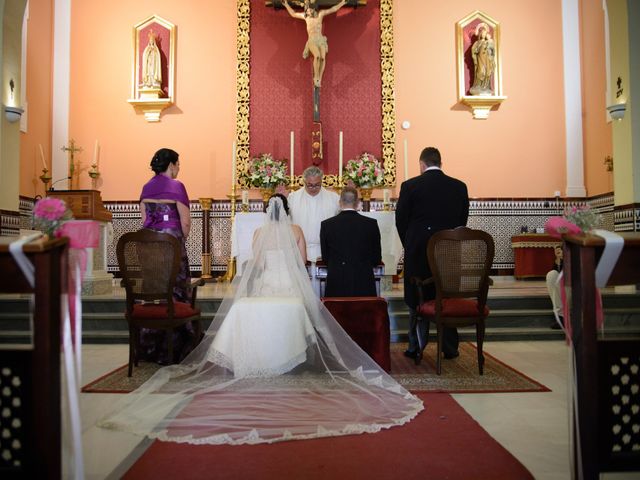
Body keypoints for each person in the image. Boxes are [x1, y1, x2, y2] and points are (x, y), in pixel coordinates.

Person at [99, 196, 423, 445]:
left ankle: (251, 359)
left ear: (267, 211)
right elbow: (300, 263)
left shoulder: (257, 232)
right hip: (287, 289)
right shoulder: (295, 231)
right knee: (301, 310)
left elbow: (255, 264)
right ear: (287, 211)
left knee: (245, 308)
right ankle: (288, 359)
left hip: (266, 286)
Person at [395, 147, 469, 361]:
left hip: (418, 253)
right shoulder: (459, 187)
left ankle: (416, 346)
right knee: (447, 296)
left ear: (421, 164)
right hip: (449, 252)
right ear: (440, 163)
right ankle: (450, 347)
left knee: (417, 299)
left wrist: (410, 244)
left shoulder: (410, 186)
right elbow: (462, 220)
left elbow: (401, 220)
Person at [138, 147, 196, 363]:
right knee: (175, 289)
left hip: (150, 245)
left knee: (156, 289)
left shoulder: (146, 187)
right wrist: (180, 241)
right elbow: (186, 221)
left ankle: (151, 347)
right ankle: (178, 346)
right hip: (172, 244)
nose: (179, 168)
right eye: (178, 164)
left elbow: (144, 218)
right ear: (171, 165)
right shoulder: (176, 186)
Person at [320, 187, 381, 297]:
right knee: (364, 312)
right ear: (357, 203)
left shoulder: (327, 225)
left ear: (339, 202)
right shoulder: (370, 224)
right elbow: (376, 257)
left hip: (337, 279)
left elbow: (326, 258)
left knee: (337, 313)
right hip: (363, 280)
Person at [283, 0, 347, 88]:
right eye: (307, 10)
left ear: (314, 9)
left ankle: (319, 78)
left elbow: (333, 9)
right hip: (312, 40)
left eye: (309, 10)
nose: (308, 11)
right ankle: (316, 77)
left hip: (320, 40)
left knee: (323, 58)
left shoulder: (320, 15)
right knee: (317, 56)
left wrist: (343, 2)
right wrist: (286, 5)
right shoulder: (306, 18)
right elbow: (293, 13)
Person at [288, 165, 340, 262]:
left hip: (326, 250)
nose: (313, 188)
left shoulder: (333, 198)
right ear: (304, 182)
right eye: (310, 185)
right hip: (299, 250)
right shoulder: (292, 198)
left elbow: (342, 220)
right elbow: (282, 220)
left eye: (317, 185)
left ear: (321, 181)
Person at [469, 22, 495, 95]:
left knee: (487, 72)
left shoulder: (488, 42)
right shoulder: (477, 42)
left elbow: (493, 51)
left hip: (487, 60)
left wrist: (489, 43)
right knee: (480, 71)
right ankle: (478, 86)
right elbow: (473, 50)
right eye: (482, 33)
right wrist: (476, 51)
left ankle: (485, 87)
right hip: (480, 59)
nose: (484, 34)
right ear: (480, 34)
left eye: (485, 33)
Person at [546, 245, 564, 329]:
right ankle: (561, 317)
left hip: (577, 287)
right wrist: (559, 259)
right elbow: (558, 273)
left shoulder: (583, 246)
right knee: (551, 274)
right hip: (565, 289)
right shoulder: (563, 247)